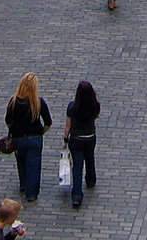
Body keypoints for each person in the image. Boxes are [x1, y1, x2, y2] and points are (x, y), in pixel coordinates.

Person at [4, 73, 52, 203]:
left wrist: (13, 130)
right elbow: (48, 121)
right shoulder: (38, 102)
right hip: (35, 138)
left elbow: (8, 120)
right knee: (34, 165)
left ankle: (23, 185)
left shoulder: (13, 102)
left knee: (21, 161)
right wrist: (41, 132)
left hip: (18, 139)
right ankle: (32, 194)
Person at [63, 81, 101, 209]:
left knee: (77, 166)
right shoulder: (95, 106)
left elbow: (68, 126)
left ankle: (77, 196)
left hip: (76, 139)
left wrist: (65, 138)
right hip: (90, 137)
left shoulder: (72, 107)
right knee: (90, 158)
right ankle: (91, 179)